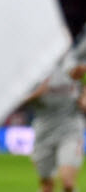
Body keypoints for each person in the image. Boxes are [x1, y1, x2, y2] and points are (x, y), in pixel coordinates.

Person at [24, 48, 86, 192]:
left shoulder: (71, 62)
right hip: (44, 131)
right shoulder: (33, 70)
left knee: (68, 183)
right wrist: (36, 93)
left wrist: (83, 97)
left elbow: (79, 75)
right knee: (47, 186)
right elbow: (17, 100)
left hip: (70, 130)